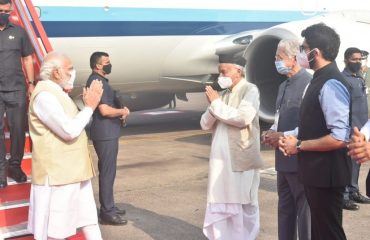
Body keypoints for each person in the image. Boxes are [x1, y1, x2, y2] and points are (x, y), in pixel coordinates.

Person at [278, 23, 352, 240]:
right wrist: (287, 136)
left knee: (329, 232)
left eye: (303, 48)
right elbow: (314, 123)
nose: (301, 53)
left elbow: (340, 136)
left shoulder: (331, 83)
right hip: (315, 173)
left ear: (315, 53)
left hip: (327, 175)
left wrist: (299, 145)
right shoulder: (318, 79)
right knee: (320, 232)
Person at [27, 52, 103, 240]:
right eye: (70, 69)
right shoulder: (44, 96)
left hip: (75, 171)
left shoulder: (58, 93)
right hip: (58, 176)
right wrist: (89, 108)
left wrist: (87, 107)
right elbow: (68, 131)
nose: (73, 73)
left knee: (90, 221)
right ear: (57, 72)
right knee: (56, 231)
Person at [201, 54, 263, 240]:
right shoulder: (223, 95)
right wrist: (214, 104)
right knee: (221, 202)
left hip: (240, 159)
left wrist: (216, 104)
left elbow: (242, 118)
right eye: (219, 72)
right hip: (220, 163)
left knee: (241, 203)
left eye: (224, 71)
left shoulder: (250, 90)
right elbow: (205, 123)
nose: (220, 76)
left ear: (238, 70)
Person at [262, 39, 311, 240]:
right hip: (282, 160)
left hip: (300, 158)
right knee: (285, 209)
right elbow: (278, 116)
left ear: (292, 58)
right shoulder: (283, 85)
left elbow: (310, 126)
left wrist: (283, 135)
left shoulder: (309, 83)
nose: (276, 61)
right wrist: (270, 132)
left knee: (304, 214)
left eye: (279, 57)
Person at [86, 51, 130, 226]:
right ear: (98, 65)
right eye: (106, 62)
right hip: (105, 134)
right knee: (107, 172)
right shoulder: (97, 81)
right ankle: (107, 212)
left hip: (107, 132)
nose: (109, 64)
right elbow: (104, 110)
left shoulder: (100, 80)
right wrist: (123, 111)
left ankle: (108, 206)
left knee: (108, 172)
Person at [0, 0, 35, 188]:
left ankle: (15, 165)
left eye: (7, 11)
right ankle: (1, 171)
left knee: (18, 129)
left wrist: (30, 83)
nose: (4, 14)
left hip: (17, 88)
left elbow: (27, 59)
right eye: (0, 11)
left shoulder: (19, 32)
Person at [341, 47, 370, 211]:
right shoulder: (343, 79)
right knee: (347, 164)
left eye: (360, 59)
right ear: (346, 60)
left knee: (357, 164)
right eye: (354, 59)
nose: (358, 62)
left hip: (362, 130)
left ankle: (353, 191)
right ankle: (344, 195)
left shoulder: (359, 78)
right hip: (351, 130)